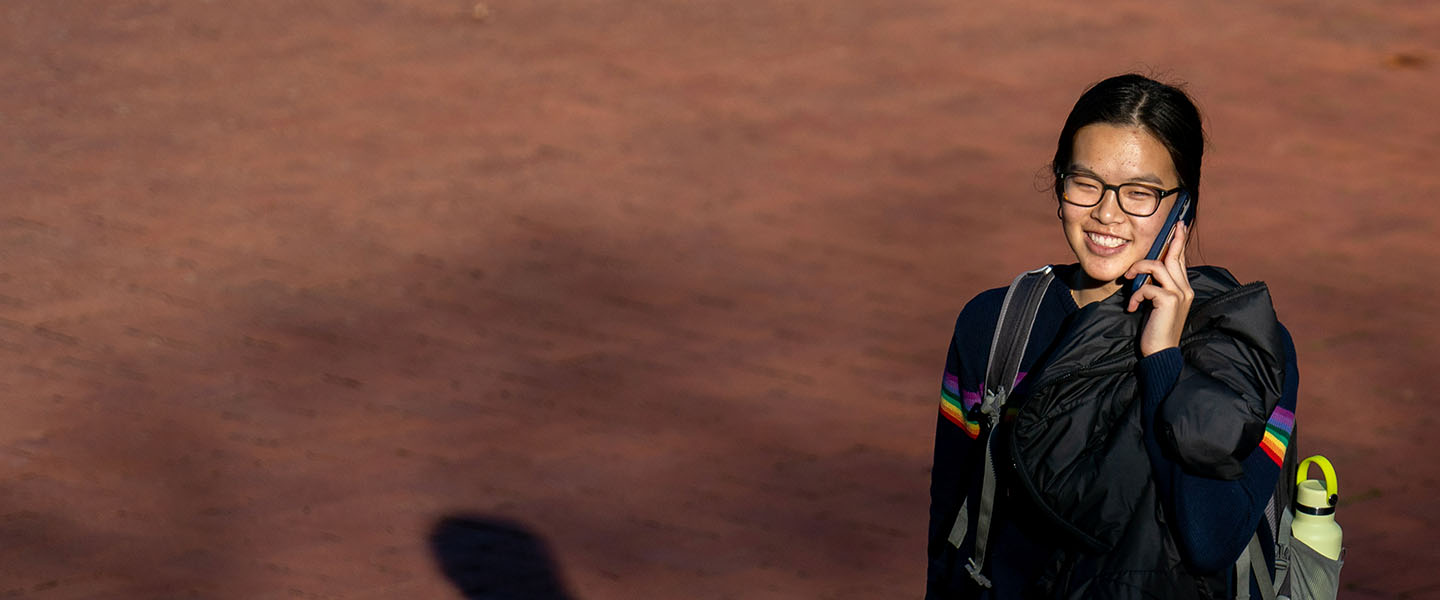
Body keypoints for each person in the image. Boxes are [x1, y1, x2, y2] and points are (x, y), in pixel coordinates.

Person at [926, 74, 1299, 599]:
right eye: (1086, 183)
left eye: (1140, 193)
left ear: (1182, 207)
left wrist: (1163, 359)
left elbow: (1209, 537)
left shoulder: (1247, 348)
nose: (1107, 212)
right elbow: (952, 527)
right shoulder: (995, 328)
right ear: (1059, 184)